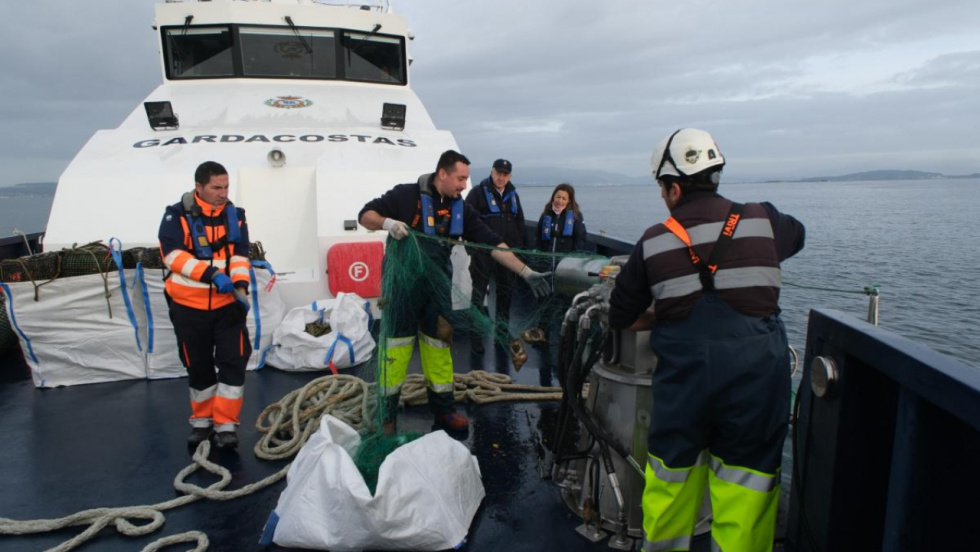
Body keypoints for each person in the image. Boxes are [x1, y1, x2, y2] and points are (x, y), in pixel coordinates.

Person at [608, 128, 805, 551]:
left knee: (671, 486)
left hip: (686, 388)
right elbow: (798, 236)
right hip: (757, 385)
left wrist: (666, 312)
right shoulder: (764, 219)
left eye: (663, 189)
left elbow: (621, 316)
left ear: (674, 187)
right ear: (715, 174)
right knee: (745, 494)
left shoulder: (654, 242)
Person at [359, 150, 551, 433]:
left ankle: (445, 412)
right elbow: (365, 215)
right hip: (402, 289)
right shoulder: (405, 195)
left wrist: (525, 271)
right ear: (443, 174)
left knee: (439, 347)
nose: (464, 185)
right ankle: (387, 416)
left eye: (466, 179)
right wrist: (388, 223)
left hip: (436, 289)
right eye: (460, 178)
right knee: (396, 351)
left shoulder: (461, 209)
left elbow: (493, 243)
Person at [159, 161, 252, 449]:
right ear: (198, 187)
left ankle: (225, 423)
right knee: (197, 364)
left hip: (227, 307)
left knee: (233, 362)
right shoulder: (176, 216)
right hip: (188, 308)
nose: (223, 193)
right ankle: (202, 421)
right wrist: (211, 275)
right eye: (216, 188)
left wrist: (240, 287)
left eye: (226, 187)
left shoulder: (236, 216)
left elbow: (240, 255)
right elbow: (172, 256)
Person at [464, 159, 526, 354]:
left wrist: (518, 252)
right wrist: (472, 249)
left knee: (505, 295)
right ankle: (476, 339)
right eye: (498, 173)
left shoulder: (513, 195)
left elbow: (520, 224)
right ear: (491, 172)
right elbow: (466, 220)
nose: (501, 177)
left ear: (510, 176)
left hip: (507, 255)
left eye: (505, 174)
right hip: (483, 254)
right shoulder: (477, 193)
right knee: (478, 295)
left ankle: (501, 333)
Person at [531, 183, 587, 349]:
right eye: (558, 197)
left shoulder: (575, 217)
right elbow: (539, 240)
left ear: (569, 200)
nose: (560, 201)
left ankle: (567, 339)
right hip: (547, 268)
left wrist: (573, 263)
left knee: (565, 304)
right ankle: (542, 335)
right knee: (544, 302)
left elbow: (580, 241)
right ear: (553, 197)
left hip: (565, 269)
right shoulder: (545, 216)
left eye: (564, 198)